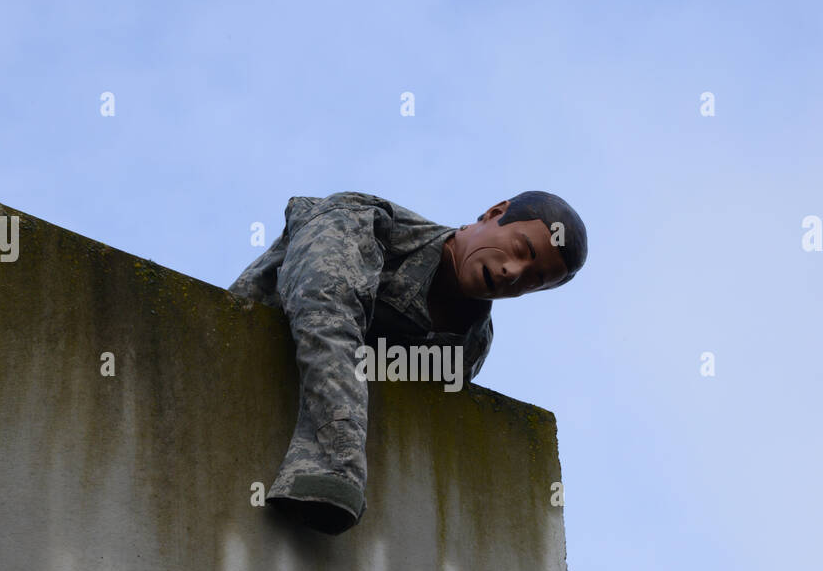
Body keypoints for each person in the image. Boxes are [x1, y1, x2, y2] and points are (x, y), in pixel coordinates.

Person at [229, 190, 587, 534]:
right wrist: (340, 464)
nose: (514, 272)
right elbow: (326, 313)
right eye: (521, 249)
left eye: (532, 280)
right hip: (238, 386)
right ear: (495, 213)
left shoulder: (470, 345)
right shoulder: (363, 222)